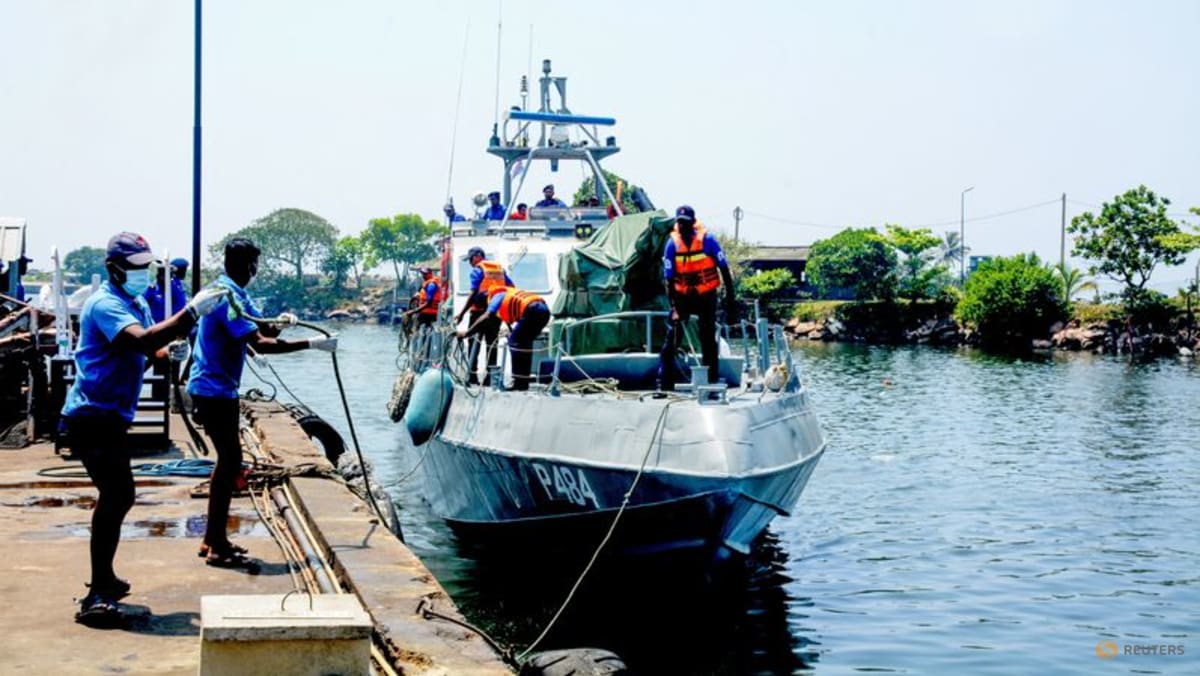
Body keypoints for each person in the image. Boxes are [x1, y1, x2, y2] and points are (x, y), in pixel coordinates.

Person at [62, 232, 228, 626]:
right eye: (135, 266)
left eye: (146, 266)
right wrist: (190, 313)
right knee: (116, 495)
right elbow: (141, 339)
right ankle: (97, 593)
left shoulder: (133, 301)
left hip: (111, 415)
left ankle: (105, 578)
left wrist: (168, 352)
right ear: (114, 268)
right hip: (92, 416)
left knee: (119, 496)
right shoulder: (105, 304)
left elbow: (148, 349)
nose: (142, 272)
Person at [188, 238, 337, 568]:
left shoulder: (237, 294)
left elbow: (262, 325)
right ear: (244, 265)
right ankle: (215, 544)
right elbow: (261, 343)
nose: (255, 271)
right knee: (229, 462)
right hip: (212, 389)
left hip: (220, 387)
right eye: (253, 264)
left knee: (228, 462)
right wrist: (311, 344)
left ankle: (214, 538)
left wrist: (282, 322)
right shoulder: (225, 298)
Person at [659, 205, 736, 390]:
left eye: (686, 223)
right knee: (671, 340)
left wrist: (731, 299)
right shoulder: (672, 245)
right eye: (680, 223)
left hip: (706, 296)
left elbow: (724, 269)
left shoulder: (708, 240)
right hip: (682, 297)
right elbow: (669, 281)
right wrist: (675, 309)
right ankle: (663, 383)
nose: (683, 227)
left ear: (693, 223)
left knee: (708, 338)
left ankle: (712, 379)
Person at [458, 286, 550, 391]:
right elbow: (511, 320)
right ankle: (523, 382)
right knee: (524, 344)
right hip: (544, 311)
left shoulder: (496, 297)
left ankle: (519, 383)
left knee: (515, 342)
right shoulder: (507, 294)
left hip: (533, 311)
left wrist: (467, 333)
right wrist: (511, 333)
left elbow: (487, 316)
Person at [453, 247, 514, 385]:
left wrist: (462, 313)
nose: (470, 263)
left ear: (477, 256)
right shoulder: (499, 270)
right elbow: (511, 287)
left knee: (473, 341)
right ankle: (490, 378)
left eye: (470, 259)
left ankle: (472, 375)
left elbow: (473, 294)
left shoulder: (477, 270)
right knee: (492, 344)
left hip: (479, 312)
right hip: (495, 313)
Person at [142, 258, 190, 323]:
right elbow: (143, 304)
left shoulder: (175, 286)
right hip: (154, 325)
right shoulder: (152, 288)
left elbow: (181, 306)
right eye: (160, 273)